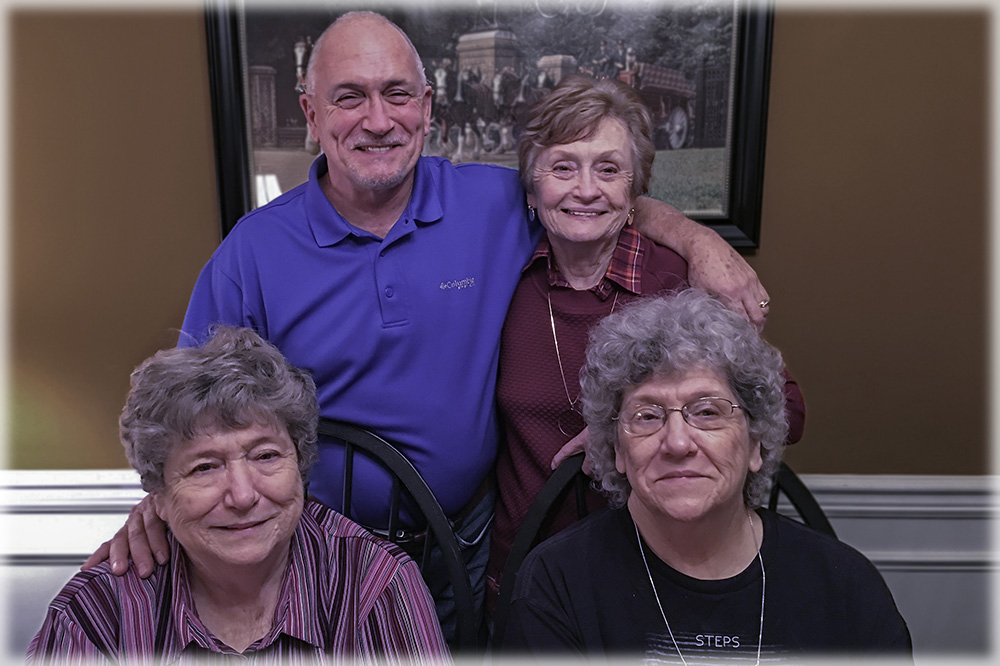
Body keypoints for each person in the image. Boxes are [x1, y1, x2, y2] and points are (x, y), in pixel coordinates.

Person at [84, 11, 771, 643]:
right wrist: (161, 503)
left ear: (428, 106)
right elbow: (187, 413)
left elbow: (595, 195)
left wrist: (699, 240)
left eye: (397, 94)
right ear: (311, 113)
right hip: (315, 559)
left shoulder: (493, 202)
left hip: (468, 545)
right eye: (350, 97)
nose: (378, 120)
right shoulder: (252, 253)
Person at [486, 76, 806, 611]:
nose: (586, 189)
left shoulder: (683, 282)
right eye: (563, 167)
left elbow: (786, 411)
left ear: (636, 191)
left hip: (662, 582)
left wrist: (629, 429)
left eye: (608, 169)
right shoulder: (500, 280)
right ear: (531, 189)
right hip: (523, 572)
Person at [500, 290, 912, 658]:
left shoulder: (845, 588)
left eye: (708, 412)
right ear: (617, 450)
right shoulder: (556, 586)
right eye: (647, 416)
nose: (678, 443)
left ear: (755, 443)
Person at [29, 327, 447, 662]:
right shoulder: (99, 616)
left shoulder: (375, 585)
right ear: (158, 495)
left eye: (265, 456)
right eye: (205, 467)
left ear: (300, 464)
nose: (243, 496)